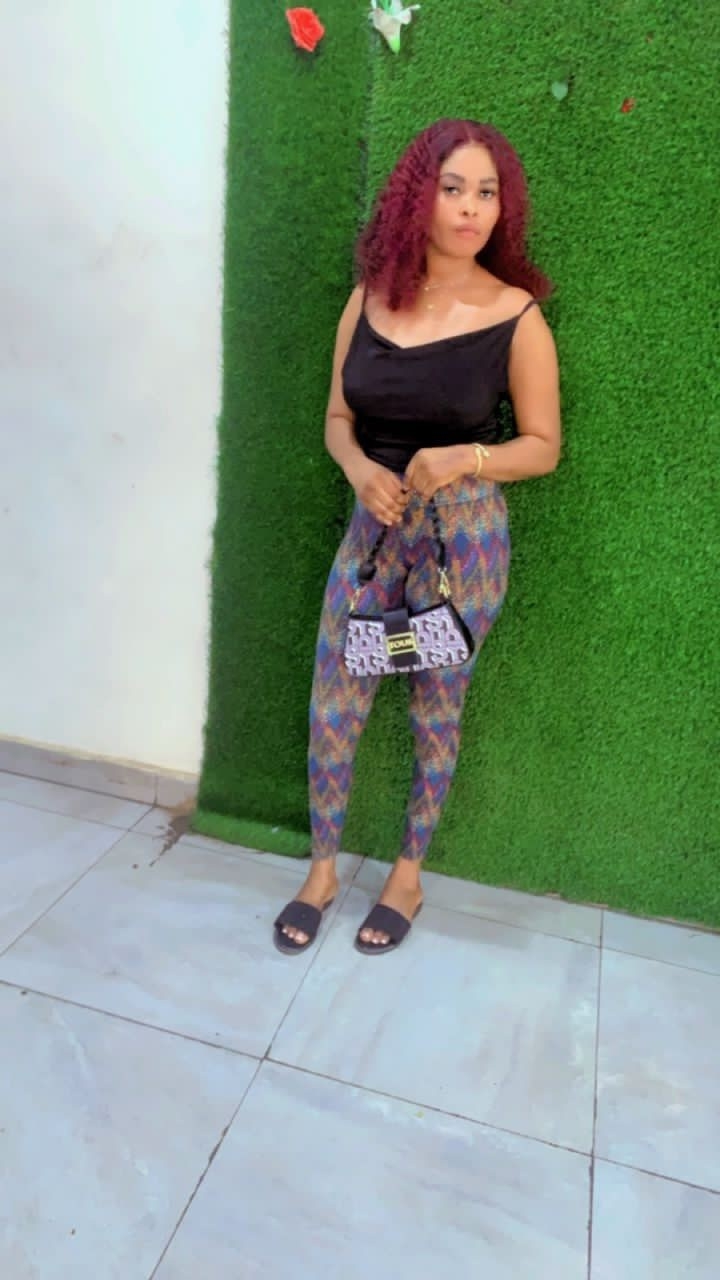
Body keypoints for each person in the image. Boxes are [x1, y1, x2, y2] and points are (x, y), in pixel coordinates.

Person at [274, 117, 561, 957]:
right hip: (373, 535)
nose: (470, 208)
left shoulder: (516, 316)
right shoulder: (368, 298)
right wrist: (358, 467)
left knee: (438, 703)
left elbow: (543, 446)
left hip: (461, 546)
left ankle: (407, 875)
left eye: (486, 193)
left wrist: (467, 457)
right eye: (452, 189)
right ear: (417, 200)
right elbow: (337, 419)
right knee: (337, 697)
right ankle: (322, 873)